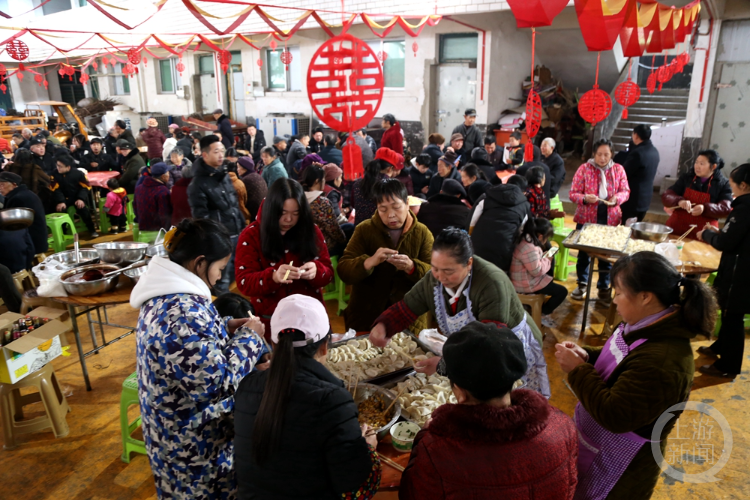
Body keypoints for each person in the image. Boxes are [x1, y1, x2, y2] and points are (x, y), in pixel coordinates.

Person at [555, 252, 716, 500]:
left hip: (623, 463)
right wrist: (586, 356)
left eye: (618, 293)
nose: (615, 301)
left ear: (645, 297)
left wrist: (578, 370)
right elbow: (620, 356)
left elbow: (616, 415)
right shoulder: (644, 324)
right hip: (596, 441)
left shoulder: (664, 362)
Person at [130, 218, 268, 500]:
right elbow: (214, 384)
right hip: (191, 450)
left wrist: (226, 326)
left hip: (177, 433)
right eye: (218, 268)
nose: (220, 277)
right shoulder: (180, 311)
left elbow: (191, 346)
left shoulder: (171, 296)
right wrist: (250, 339)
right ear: (200, 263)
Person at [400, 322, 576, 500]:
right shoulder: (562, 425)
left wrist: (423, 436)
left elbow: (411, 494)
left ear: (460, 394)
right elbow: (569, 486)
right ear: (512, 381)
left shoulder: (438, 452)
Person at [234, 295, 381, 499]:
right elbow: (352, 480)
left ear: (274, 344)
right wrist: (367, 450)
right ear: (324, 346)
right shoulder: (333, 400)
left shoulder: (247, 385)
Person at [370, 228, 549, 395]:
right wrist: (384, 326)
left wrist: (444, 364)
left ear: (469, 263)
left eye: (448, 271)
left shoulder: (492, 283)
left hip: (507, 348)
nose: (440, 277)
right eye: (435, 268)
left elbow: (489, 344)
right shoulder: (433, 280)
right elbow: (407, 307)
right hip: (475, 348)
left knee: (506, 400)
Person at [235, 178, 334, 334]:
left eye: (296, 213)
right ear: (271, 209)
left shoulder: (311, 231)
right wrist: (273, 276)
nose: (289, 219)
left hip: (311, 319)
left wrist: (316, 270)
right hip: (272, 321)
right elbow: (244, 282)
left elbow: (328, 274)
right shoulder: (251, 235)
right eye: (282, 213)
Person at [339, 179, 434, 332]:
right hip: (366, 317)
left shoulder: (422, 233)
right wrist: (369, 262)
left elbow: (435, 276)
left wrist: (411, 267)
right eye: (383, 209)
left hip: (408, 319)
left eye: (396, 207)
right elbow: (344, 270)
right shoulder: (364, 230)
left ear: (407, 204)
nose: (390, 215)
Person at [696, 163, 750, 378]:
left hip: (740, 272)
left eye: (732, 183)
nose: (730, 186)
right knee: (729, 314)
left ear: (744, 185)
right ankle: (720, 347)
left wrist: (707, 236)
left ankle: (728, 366)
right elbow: (738, 235)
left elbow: (726, 243)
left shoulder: (745, 206)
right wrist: (719, 231)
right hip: (741, 266)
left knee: (732, 316)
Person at [569, 138, 630, 301]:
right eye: (599, 154)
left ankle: (604, 286)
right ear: (594, 154)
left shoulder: (618, 170)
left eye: (606, 155)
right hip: (587, 217)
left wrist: (617, 198)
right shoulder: (584, 169)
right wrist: (584, 198)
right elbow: (573, 193)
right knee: (583, 253)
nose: (602, 158)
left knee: (607, 253)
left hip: (610, 218)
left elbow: (626, 191)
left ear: (611, 155)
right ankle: (582, 283)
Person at [188, 135, 246, 294]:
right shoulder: (198, 184)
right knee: (221, 282)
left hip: (237, 236)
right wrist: (215, 242)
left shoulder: (224, 175)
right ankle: (222, 314)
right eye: (216, 151)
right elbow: (202, 219)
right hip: (221, 241)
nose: (221, 155)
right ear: (205, 155)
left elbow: (234, 205)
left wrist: (244, 229)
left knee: (236, 276)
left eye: (222, 151)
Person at [662, 149, 732, 238]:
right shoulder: (687, 177)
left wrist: (705, 208)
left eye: (701, 164)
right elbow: (667, 194)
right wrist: (679, 201)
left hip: (704, 232)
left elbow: (726, 208)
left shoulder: (723, 183)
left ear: (713, 166)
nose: (697, 166)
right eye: (696, 162)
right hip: (677, 226)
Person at [468, 176, 530, 272]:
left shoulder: (487, 196)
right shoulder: (525, 205)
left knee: (475, 275)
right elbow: (521, 231)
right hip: (503, 251)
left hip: (479, 246)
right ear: (524, 192)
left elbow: (472, 222)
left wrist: (471, 240)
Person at [510, 218, 568, 315]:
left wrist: (542, 257)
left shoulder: (523, 240)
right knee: (562, 292)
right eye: (547, 238)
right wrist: (547, 259)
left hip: (522, 279)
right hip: (526, 284)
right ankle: (541, 313)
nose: (547, 241)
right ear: (541, 236)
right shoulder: (529, 248)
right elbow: (537, 271)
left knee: (550, 282)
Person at [300, 165, 346, 255]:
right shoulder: (322, 202)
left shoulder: (298, 198)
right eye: (323, 179)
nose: (324, 182)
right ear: (317, 181)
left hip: (302, 245)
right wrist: (344, 241)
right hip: (322, 247)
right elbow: (333, 229)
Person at [619, 125, 660, 223]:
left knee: (626, 229)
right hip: (645, 199)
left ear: (636, 135)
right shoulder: (654, 151)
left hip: (632, 200)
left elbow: (623, 173)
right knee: (635, 228)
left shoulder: (637, 153)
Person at [0, 171, 47, 254]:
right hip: (38, 241)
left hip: (31, 244)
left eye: (2, 185)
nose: (0, 188)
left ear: (14, 184)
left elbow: (13, 228)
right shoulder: (25, 193)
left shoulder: (18, 198)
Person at [50, 155, 98, 237]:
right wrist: (61, 201)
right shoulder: (54, 175)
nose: (58, 168)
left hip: (77, 198)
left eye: (60, 166)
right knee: (61, 212)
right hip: (63, 200)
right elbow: (55, 189)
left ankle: (92, 230)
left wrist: (81, 198)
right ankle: (63, 233)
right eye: (57, 165)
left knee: (84, 211)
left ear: (68, 167)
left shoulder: (78, 174)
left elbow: (86, 187)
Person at [351, 148, 398, 226]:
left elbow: (353, 204)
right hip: (381, 231)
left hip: (360, 230)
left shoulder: (358, 182)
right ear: (390, 169)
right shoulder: (390, 185)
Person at [135, 162, 172, 231]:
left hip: (142, 227)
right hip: (158, 230)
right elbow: (164, 214)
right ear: (163, 176)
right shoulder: (163, 191)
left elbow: (135, 207)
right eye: (168, 172)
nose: (169, 175)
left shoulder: (139, 188)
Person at [237, 156, 267, 222]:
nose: (237, 169)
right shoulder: (257, 176)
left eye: (239, 167)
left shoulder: (246, 180)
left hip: (254, 216)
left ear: (245, 168)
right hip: (264, 212)